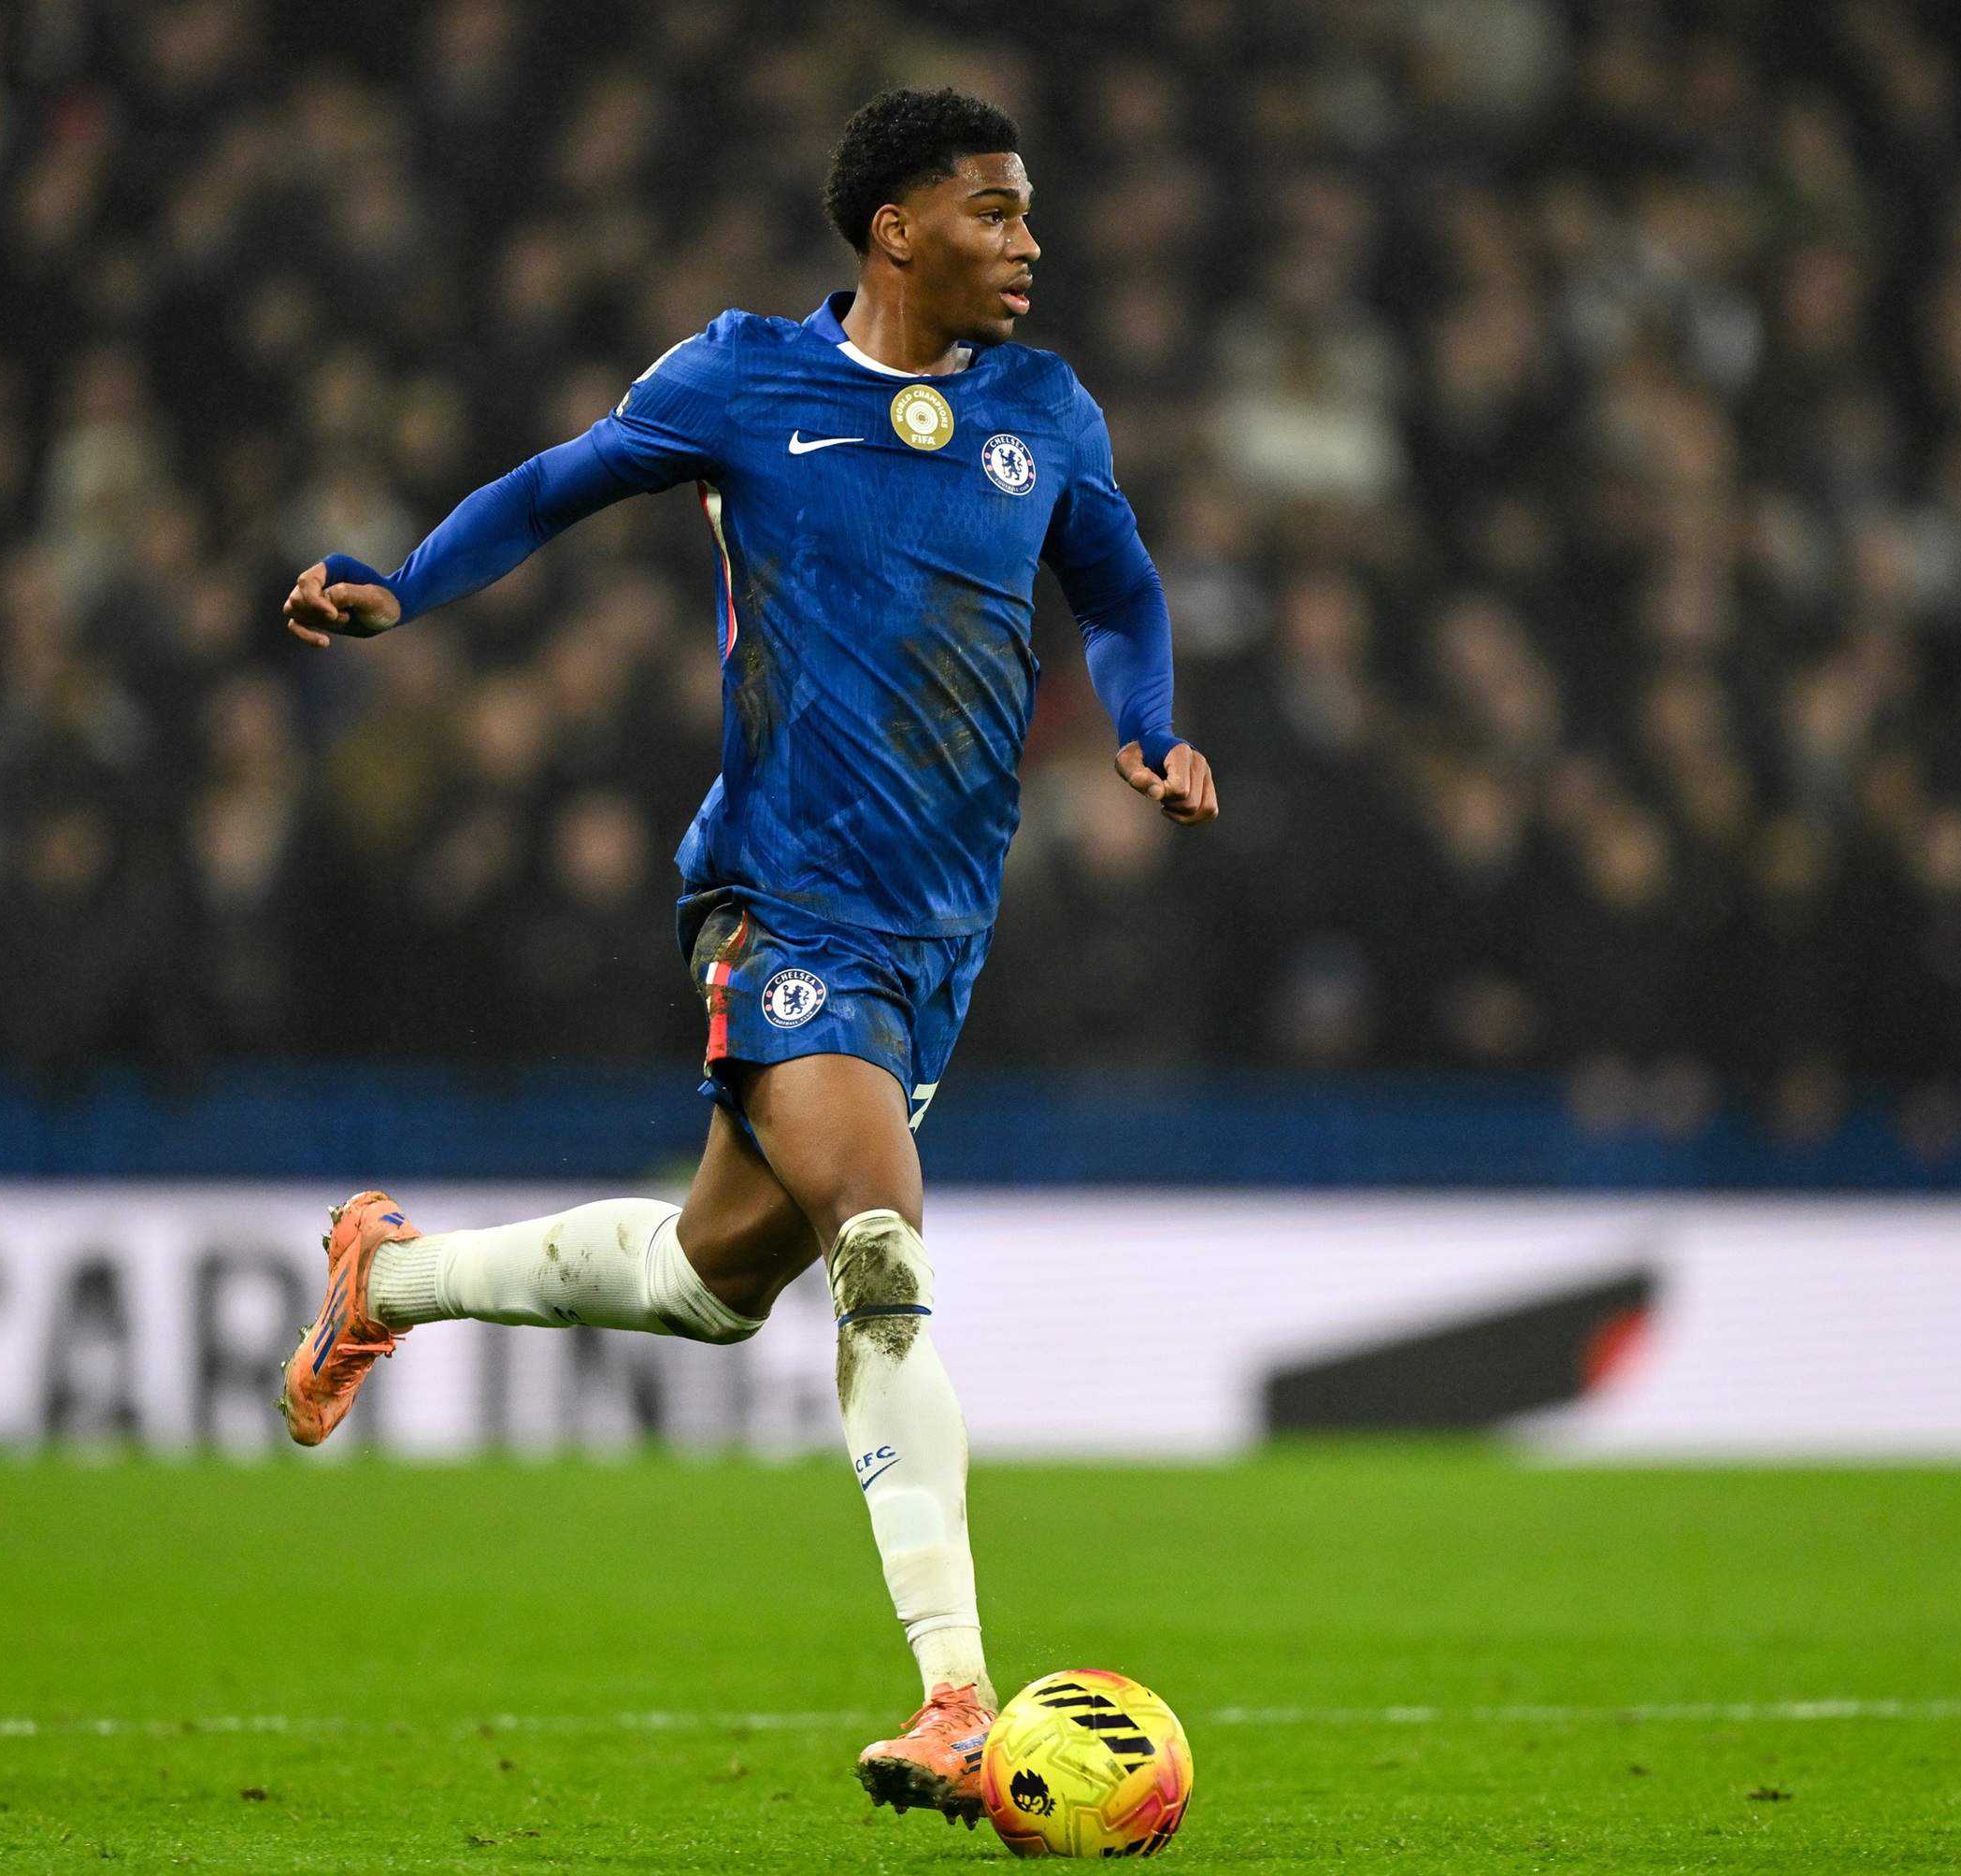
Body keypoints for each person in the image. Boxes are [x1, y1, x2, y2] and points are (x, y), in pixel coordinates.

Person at [273, 87, 1217, 1824]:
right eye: (995, 211)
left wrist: (1147, 726)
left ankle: (383, 1281)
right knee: (880, 1246)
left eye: (1027, 211)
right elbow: (552, 489)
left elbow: (1121, 592)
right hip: (784, 903)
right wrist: (405, 587)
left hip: (940, 929)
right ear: (895, 230)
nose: (1029, 242)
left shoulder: (1044, 409)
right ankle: (957, 1696)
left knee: (712, 1286)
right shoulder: (740, 379)